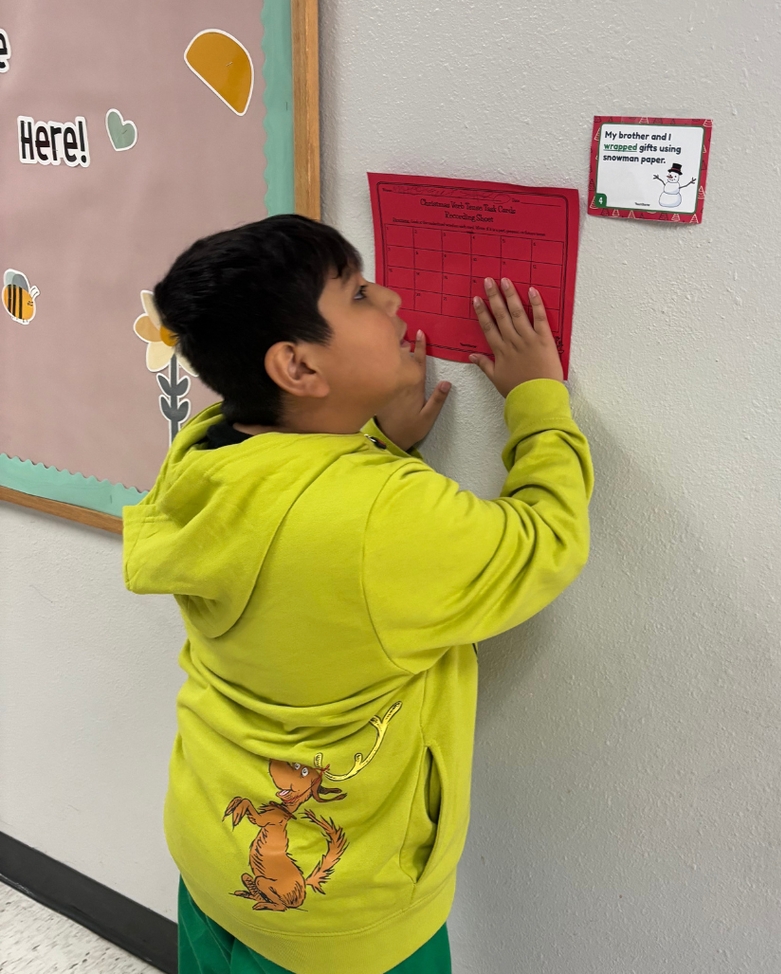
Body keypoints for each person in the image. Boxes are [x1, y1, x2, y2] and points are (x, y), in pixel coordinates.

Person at [122, 214, 593, 974]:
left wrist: (373, 441)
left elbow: (302, 527)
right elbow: (546, 541)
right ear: (299, 368)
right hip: (339, 921)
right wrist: (537, 395)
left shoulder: (207, 449)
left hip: (213, 853)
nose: (396, 300)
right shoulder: (386, 515)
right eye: (362, 294)